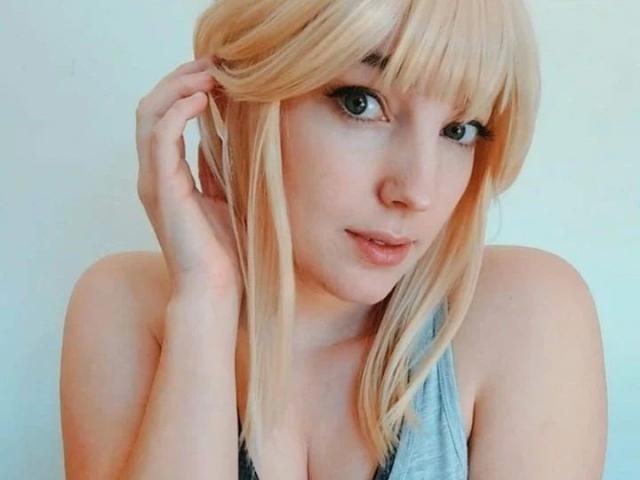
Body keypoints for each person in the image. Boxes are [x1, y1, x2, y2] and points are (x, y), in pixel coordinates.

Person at [60, 0, 607, 478]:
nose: (415, 191)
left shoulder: (524, 314)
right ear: (234, 99)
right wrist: (205, 302)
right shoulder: (128, 307)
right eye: (361, 103)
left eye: (459, 130)